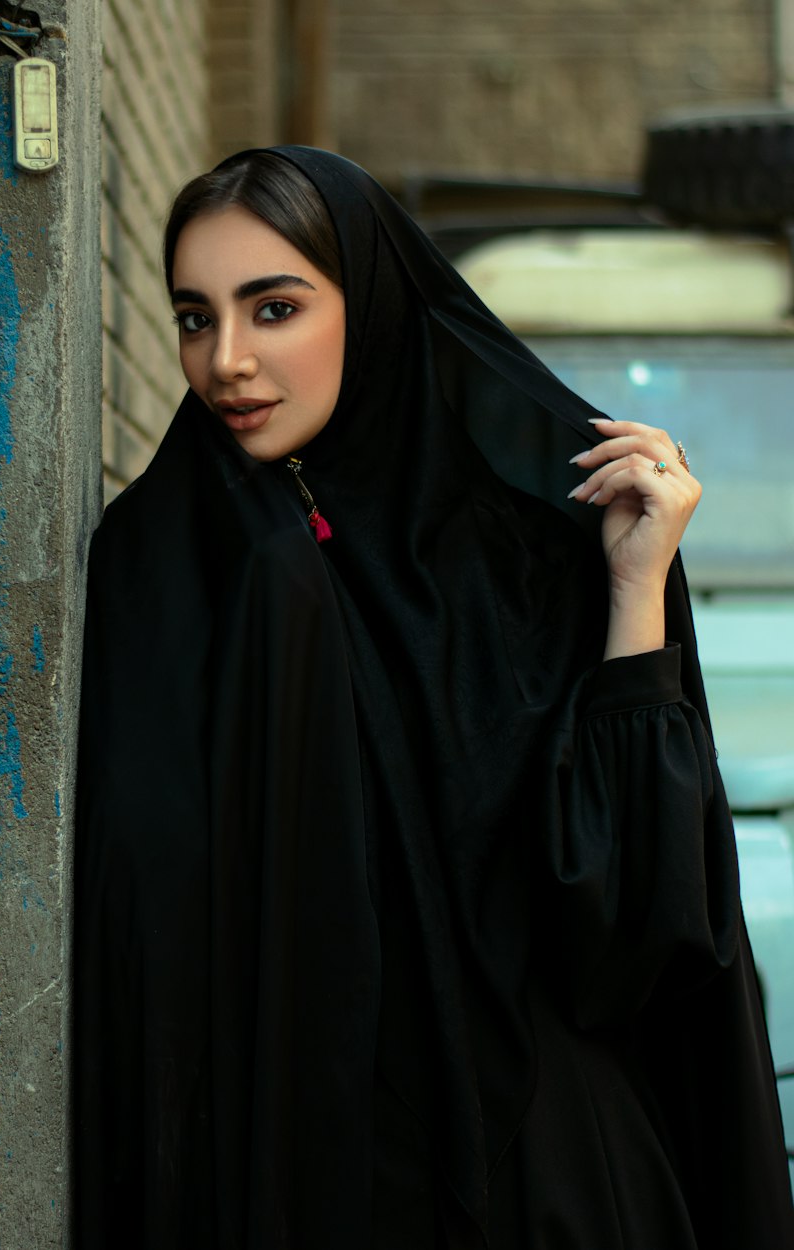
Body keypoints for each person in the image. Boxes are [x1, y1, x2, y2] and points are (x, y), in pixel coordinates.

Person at [73, 147, 794, 1248]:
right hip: (302, 1179)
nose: (225, 360)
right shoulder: (168, 562)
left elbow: (629, 927)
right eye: (192, 315)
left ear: (370, 305)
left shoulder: (518, 559)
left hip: (547, 1184)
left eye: (274, 308)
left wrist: (635, 589)